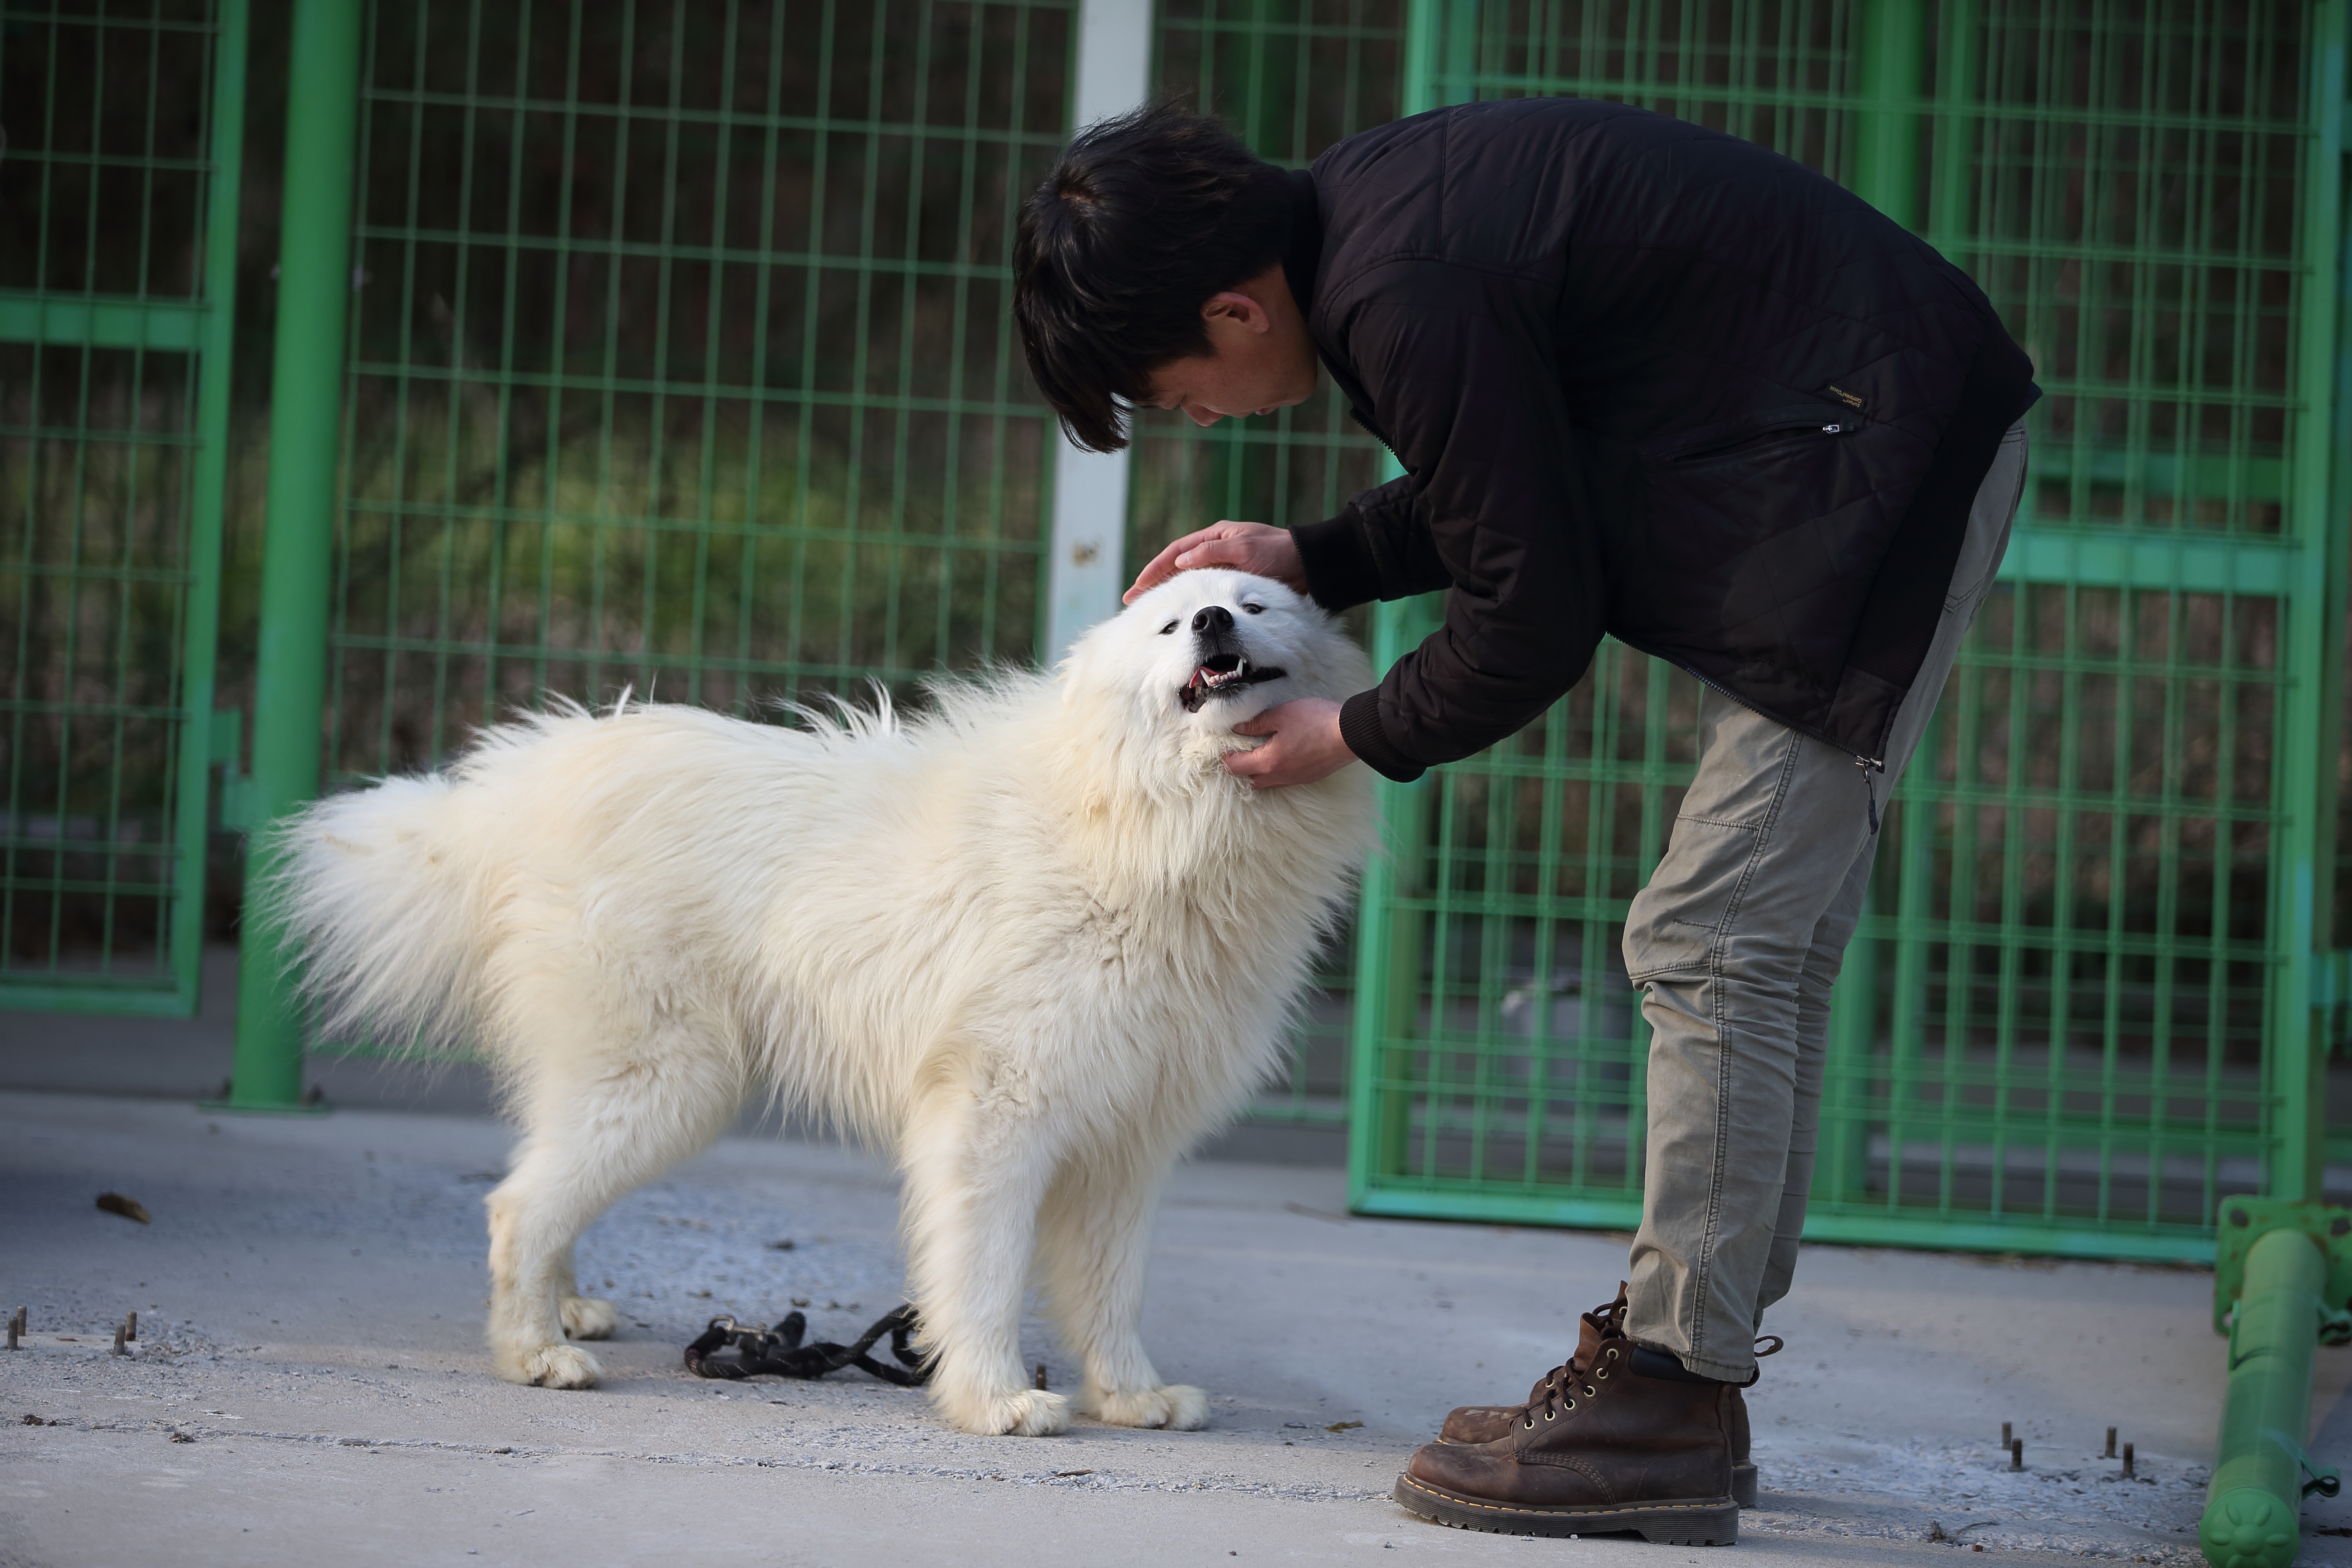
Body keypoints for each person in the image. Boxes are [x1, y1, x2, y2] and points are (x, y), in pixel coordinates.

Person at [1012, 100, 2034, 1543]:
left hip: (1873, 459)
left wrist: (1352, 732)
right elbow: (1516, 482)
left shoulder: (1402, 288)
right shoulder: (1375, 229)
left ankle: (1671, 1393)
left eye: (1179, 390)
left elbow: (1532, 611)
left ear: (1235, 309)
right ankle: (1693, 1377)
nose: (1201, 418)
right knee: (1760, 948)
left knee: (1714, 937)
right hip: (1867, 430)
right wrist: (1316, 556)